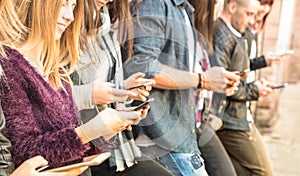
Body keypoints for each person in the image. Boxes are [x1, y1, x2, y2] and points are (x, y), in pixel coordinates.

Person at [0, 0, 147, 171]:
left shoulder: (57, 71)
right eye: (62, 5)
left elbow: (72, 149)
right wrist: (88, 131)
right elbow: (23, 155)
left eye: (73, 6)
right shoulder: (9, 66)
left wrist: (107, 129)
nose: (69, 16)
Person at [124, 0, 241, 175]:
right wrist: (203, 80)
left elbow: (180, 73)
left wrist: (211, 81)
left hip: (182, 132)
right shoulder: (155, 4)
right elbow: (142, 67)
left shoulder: (184, 9)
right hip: (163, 135)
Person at [72, 0, 173, 175]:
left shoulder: (106, 25)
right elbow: (54, 94)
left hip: (115, 147)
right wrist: (93, 95)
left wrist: (124, 90)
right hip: (83, 145)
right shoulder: (67, 26)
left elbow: (102, 84)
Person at [211, 0, 275, 175]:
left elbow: (241, 70)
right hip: (230, 120)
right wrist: (255, 90)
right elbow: (221, 85)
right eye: (249, 14)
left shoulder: (238, 33)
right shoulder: (221, 35)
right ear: (232, 7)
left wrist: (262, 64)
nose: (253, 20)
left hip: (239, 115)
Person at [188, 0, 237, 175]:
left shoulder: (202, 37)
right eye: (217, 2)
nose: (219, 7)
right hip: (188, 126)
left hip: (201, 121)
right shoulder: (185, 33)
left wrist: (218, 85)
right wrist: (206, 81)